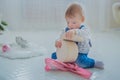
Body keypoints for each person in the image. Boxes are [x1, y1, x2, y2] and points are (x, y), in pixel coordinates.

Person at [51, 2, 104, 69]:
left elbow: (85, 34)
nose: (70, 25)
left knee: (80, 62)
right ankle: (68, 60)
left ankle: (93, 62)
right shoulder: (66, 30)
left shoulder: (84, 29)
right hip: (68, 52)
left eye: (73, 22)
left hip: (80, 53)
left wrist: (75, 31)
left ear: (82, 19)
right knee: (54, 55)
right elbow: (60, 37)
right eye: (68, 22)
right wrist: (58, 41)